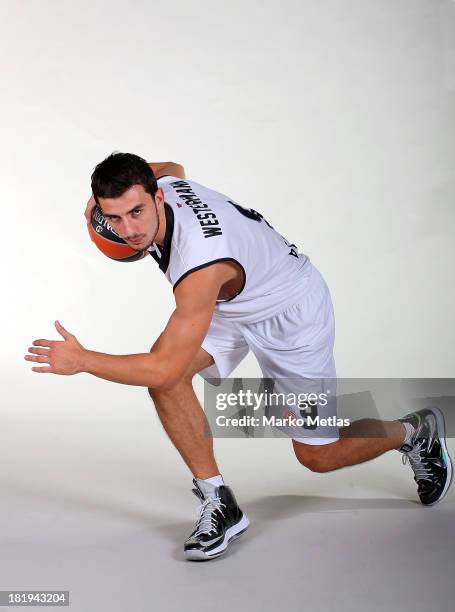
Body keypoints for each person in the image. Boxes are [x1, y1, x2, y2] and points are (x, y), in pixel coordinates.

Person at [25, 152, 453, 561]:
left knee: (318, 456)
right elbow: (172, 166)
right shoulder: (165, 184)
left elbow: (165, 365)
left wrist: (84, 360)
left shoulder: (201, 262)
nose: (128, 229)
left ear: (156, 197)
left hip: (289, 312)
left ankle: (413, 431)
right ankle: (219, 501)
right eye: (114, 217)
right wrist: (96, 204)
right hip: (230, 303)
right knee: (166, 384)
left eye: (136, 212)